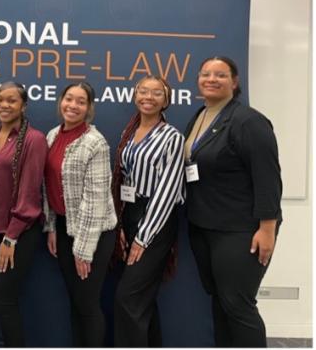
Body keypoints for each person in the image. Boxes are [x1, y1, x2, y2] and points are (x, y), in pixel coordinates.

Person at [185, 56, 282, 347]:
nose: (212, 79)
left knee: (238, 306)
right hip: (205, 226)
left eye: (221, 75)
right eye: (206, 74)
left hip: (240, 230)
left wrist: (268, 228)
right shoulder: (202, 115)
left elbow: (268, 178)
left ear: (234, 83)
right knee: (221, 303)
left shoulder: (248, 121)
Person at [111, 75, 185, 347]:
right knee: (143, 300)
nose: (148, 97)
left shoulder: (172, 137)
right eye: (143, 91)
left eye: (156, 93)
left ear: (166, 100)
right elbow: (123, 181)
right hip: (129, 214)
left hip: (155, 219)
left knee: (128, 298)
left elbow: (168, 190)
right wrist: (120, 224)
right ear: (135, 95)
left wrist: (143, 237)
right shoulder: (128, 133)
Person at [43, 82, 118, 347]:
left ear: (89, 108)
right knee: (75, 300)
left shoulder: (95, 142)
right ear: (61, 101)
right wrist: (52, 226)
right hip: (64, 228)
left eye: (80, 101)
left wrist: (84, 250)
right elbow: (49, 188)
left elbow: (96, 200)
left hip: (95, 233)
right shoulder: (53, 135)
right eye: (69, 99)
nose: (73, 106)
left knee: (87, 303)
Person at [0, 81, 48, 347]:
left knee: (3, 299)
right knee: (2, 301)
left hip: (17, 235)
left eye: (12, 101)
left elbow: (30, 192)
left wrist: (11, 237)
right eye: (0, 99)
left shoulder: (34, 139)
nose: (4, 105)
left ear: (23, 106)